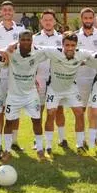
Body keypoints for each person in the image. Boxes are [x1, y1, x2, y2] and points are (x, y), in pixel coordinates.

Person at [42, 32, 93, 155]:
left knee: (80, 113)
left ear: (76, 45)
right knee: (51, 113)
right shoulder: (54, 52)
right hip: (54, 88)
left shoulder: (81, 53)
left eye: (72, 45)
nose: (70, 48)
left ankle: (80, 144)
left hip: (71, 88)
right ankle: (48, 146)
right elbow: (35, 48)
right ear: (62, 44)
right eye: (67, 45)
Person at [2, 30, 50, 161]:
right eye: (23, 40)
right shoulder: (11, 52)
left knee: (36, 120)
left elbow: (54, 50)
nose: (26, 42)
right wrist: (7, 48)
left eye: (28, 40)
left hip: (31, 95)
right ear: (18, 40)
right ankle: (6, 150)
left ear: (32, 41)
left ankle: (40, 150)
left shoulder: (38, 52)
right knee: (9, 122)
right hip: (14, 95)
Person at [0, 1, 25, 150]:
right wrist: (6, 51)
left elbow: (26, 47)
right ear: (1, 12)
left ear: (13, 12)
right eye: (5, 10)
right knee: (0, 109)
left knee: (15, 107)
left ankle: (14, 141)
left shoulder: (21, 28)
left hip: (16, 74)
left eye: (10, 10)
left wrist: (11, 50)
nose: (8, 12)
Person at [33, 9, 66, 147]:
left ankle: (62, 138)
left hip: (57, 78)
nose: (48, 22)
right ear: (41, 22)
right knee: (39, 109)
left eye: (50, 20)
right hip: (39, 78)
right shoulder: (34, 38)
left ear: (54, 22)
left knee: (58, 109)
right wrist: (32, 77)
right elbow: (32, 59)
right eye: (45, 20)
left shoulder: (61, 39)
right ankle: (38, 139)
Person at [75, 8, 97, 147]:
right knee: (80, 110)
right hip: (80, 78)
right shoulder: (75, 36)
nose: (88, 20)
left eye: (90, 18)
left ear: (93, 19)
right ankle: (81, 140)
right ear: (82, 19)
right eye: (85, 18)